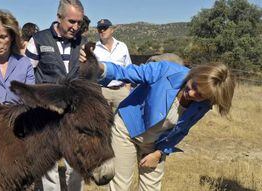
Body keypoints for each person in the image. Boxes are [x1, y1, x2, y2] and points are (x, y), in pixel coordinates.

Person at [88, 56, 235, 190]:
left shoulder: (203, 105)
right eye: (194, 86)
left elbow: (181, 130)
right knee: (120, 186)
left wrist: (159, 153)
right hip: (126, 130)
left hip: (155, 144)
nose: (191, 94)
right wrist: (100, 67)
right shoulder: (166, 70)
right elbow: (127, 72)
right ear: (195, 73)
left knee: (151, 188)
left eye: (200, 95)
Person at [25, 0, 85, 190]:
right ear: (59, 18)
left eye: (79, 23)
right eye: (71, 22)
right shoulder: (39, 40)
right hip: (46, 111)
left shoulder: (82, 42)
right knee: (48, 163)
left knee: (75, 160)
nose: (76, 27)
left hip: (74, 112)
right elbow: (26, 73)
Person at [93, 19, 132, 111]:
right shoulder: (94, 48)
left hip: (121, 91)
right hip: (102, 92)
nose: (102, 31)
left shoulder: (122, 46)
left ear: (112, 30)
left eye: (105, 28)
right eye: (100, 29)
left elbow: (128, 68)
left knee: (123, 121)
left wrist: (127, 89)